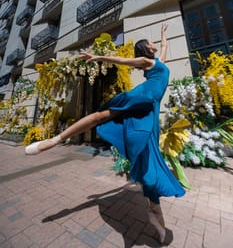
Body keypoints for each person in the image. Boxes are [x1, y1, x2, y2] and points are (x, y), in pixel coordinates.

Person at [25, 23, 185, 243]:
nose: (154, 44)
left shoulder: (160, 63)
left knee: (149, 161)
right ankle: (55, 140)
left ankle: (154, 213)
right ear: (146, 49)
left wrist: (164, 34)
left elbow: (164, 47)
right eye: (151, 43)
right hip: (141, 97)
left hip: (150, 109)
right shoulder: (147, 61)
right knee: (102, 116)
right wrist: (97, 58)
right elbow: (123, 60)